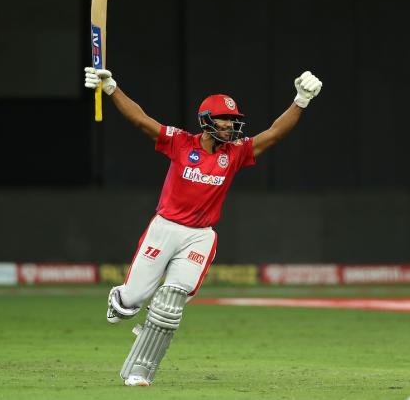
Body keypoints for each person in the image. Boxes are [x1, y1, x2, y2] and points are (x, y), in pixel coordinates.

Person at [84, 66, 323, 387]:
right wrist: (111, 87)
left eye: (232, 119)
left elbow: (274, 134)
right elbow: (141, 120)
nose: (229, 125)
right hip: (164, 229)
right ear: (207, 120)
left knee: (170, 305)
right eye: (223, 118)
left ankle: (140, 371)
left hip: (200, 237)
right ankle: (122, 300)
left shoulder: (235, 154)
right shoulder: (181, 143)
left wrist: (301, 100)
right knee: (132, 301)